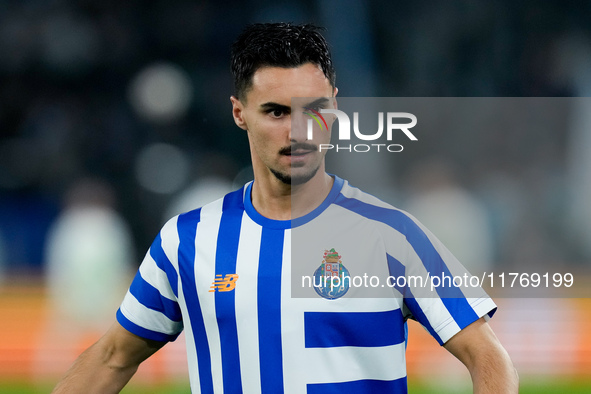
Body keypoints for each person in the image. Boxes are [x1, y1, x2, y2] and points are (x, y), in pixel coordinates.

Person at [52, 22, 518, 393]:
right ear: (240, 113)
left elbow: (488, 357)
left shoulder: (390, 234)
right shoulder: (187, 240)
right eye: (276, 112)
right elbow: (113, 357)